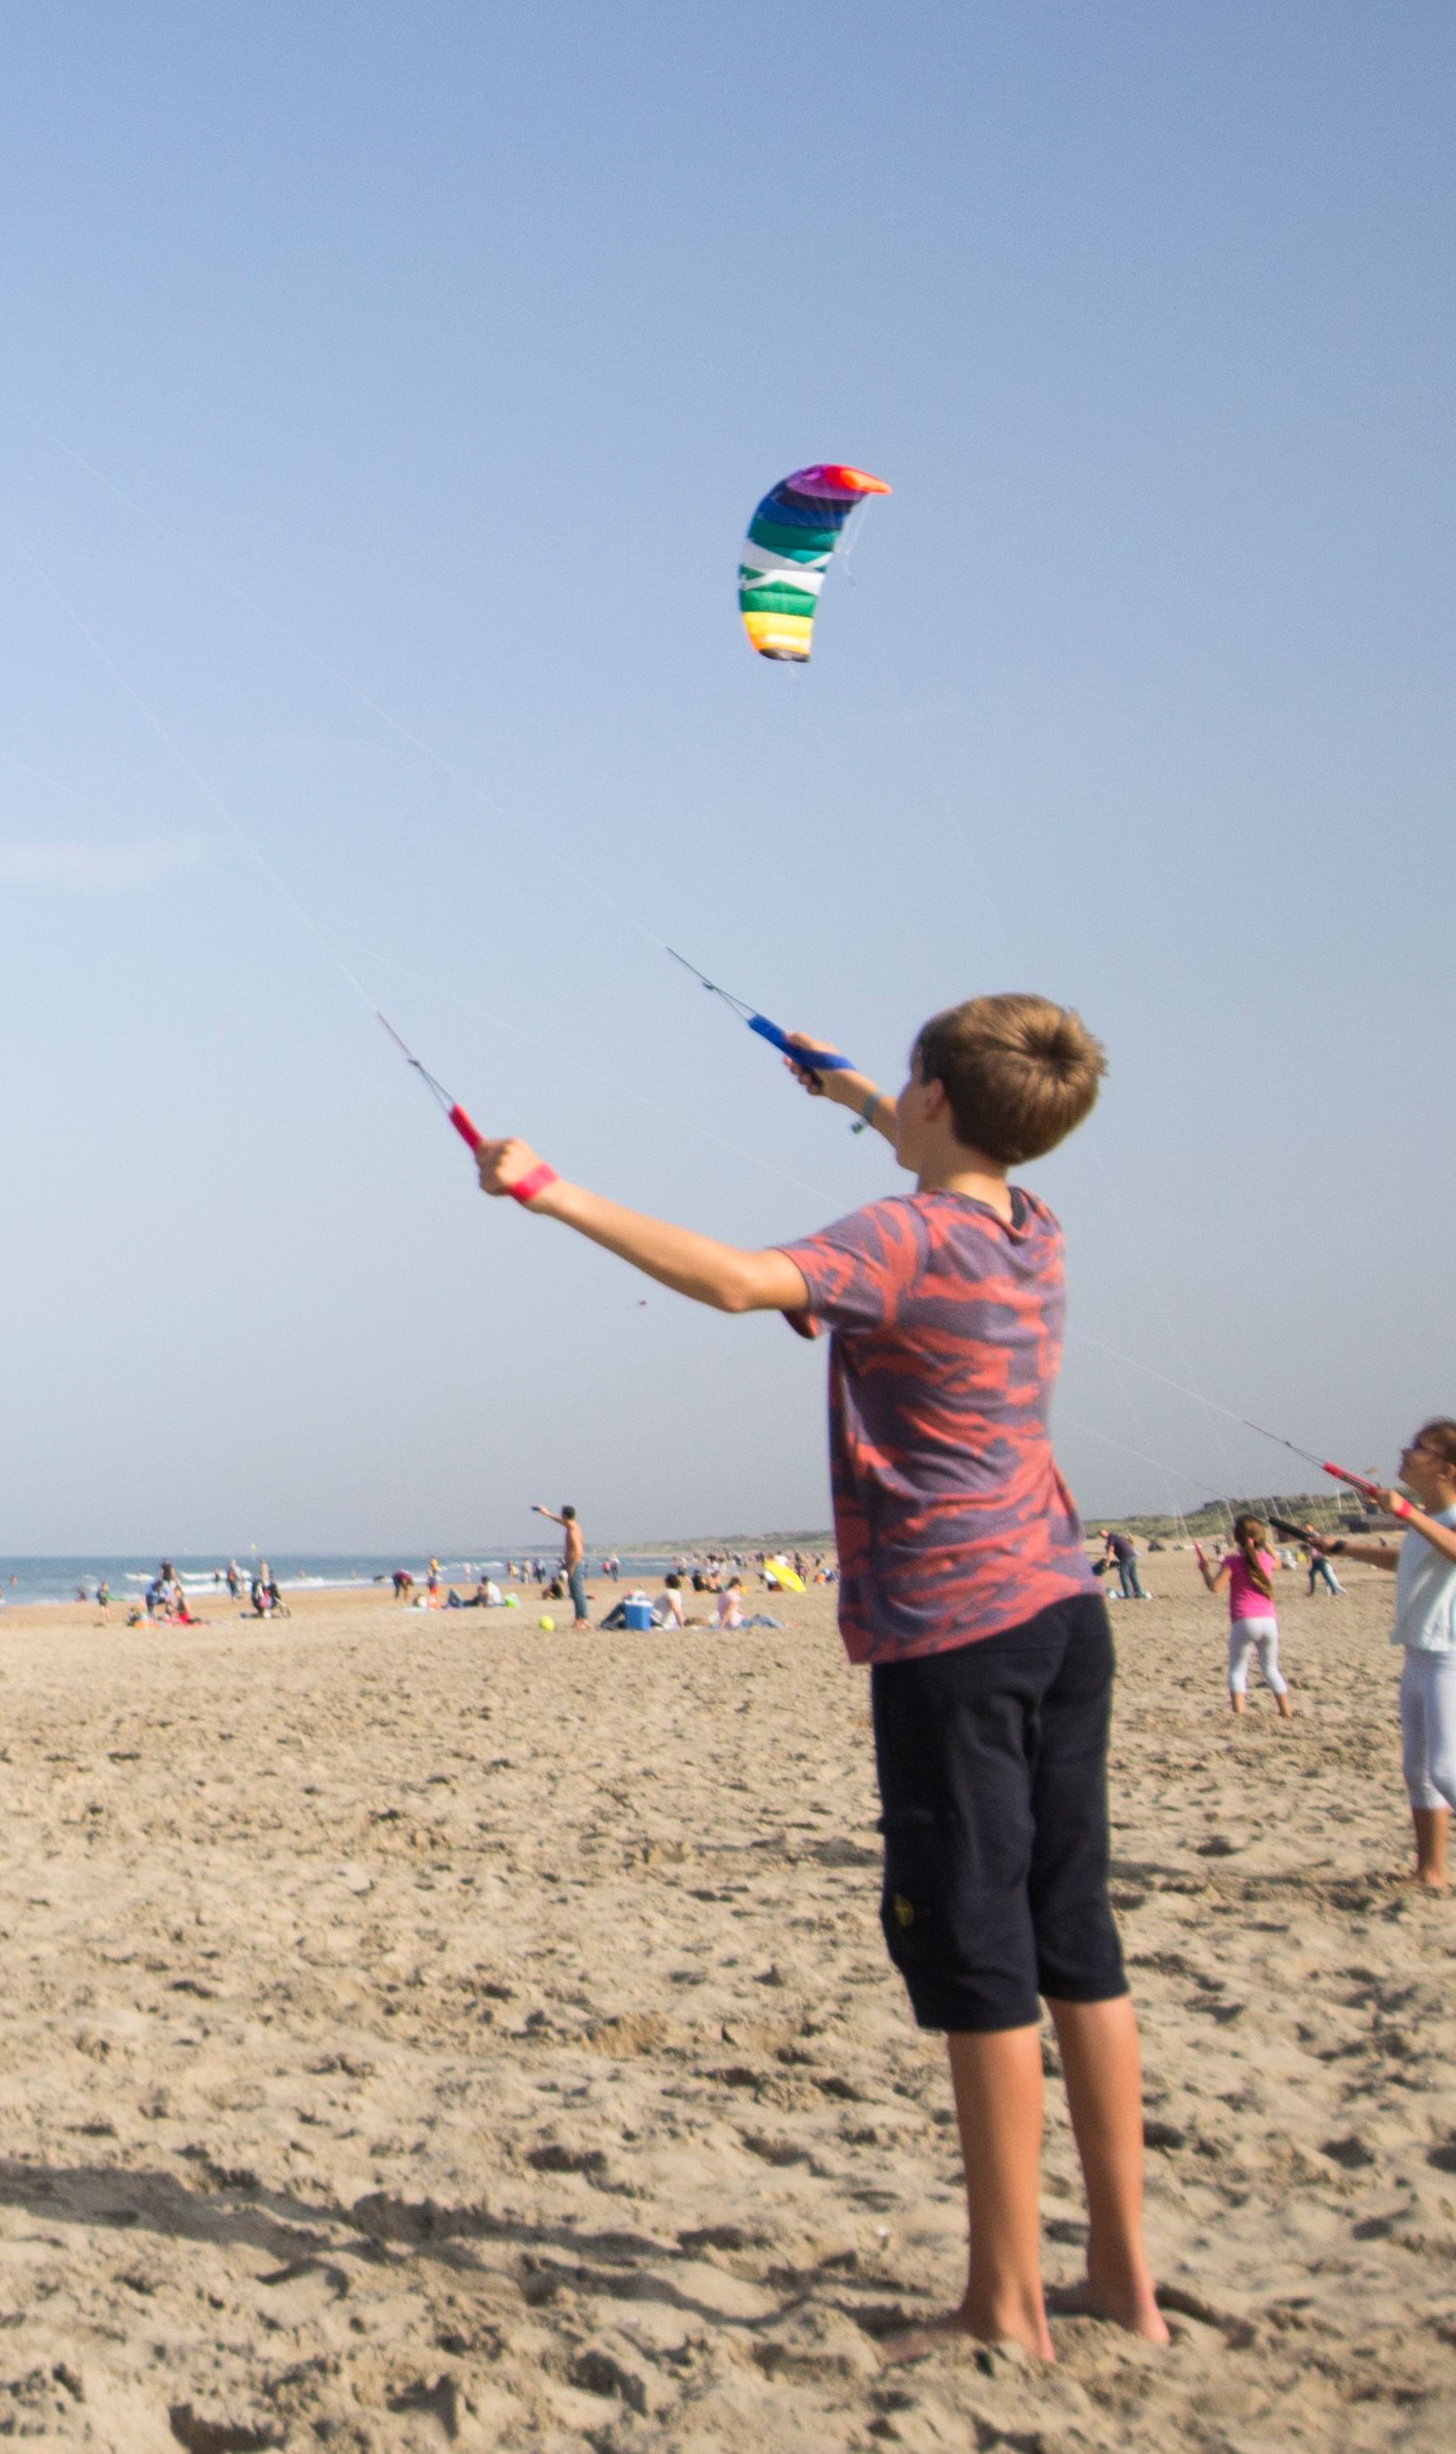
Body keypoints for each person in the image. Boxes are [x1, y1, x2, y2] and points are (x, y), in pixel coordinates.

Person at [462, 991, 1158, 2362]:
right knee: (1079, 1938)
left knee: (983, 1956)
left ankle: (1006, 2306)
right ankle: (1124, 2278)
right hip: (1065, 1613)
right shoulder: (1033, 1224)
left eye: (907, 1087)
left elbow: (734, 1280)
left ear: (941, 1102)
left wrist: (548, 1189)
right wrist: (844, 1089)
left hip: (957, 1630)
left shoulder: (895, 1237)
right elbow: (933, 1151)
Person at [1300, 1420, 1456, 1900]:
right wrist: (1342, 1548)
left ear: (1446, 1470)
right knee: (1417, 1771)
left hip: (1455, 1662)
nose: (1405, 1453)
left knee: (1449, 1772)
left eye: (1418, 1449)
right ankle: (1431, 1870)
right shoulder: (1433, 1518)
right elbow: (1407, 1559)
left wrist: (1406, 1511)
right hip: (1420, 1659)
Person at [1202, 1522, 1293, 1718]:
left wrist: (1204, 1571)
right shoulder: (1266, 1559)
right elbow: (1278, 1562)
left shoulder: (1232, 1561)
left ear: (1236, 1538)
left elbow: (1215, 1587)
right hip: (1269, 1621)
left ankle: (1239, 1713)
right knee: (1270, 1668)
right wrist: (1265, 1544)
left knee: (1237, 1669)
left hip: (1244, 1621)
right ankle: (1285, 1711)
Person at [538, 1506, 590, 1629]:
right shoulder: (572, 1526)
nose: (561, 1518)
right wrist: (547, 1513)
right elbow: (560, 1521)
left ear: (565, 1516)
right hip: (574, 1563)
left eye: (562, 1516)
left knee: (577, 1593)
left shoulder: (572, 1531)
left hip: (574, 1564)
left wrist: (571, 1567)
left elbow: (578, 1551)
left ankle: (581, 1620)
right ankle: (581, 1619)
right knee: (576, 1592)